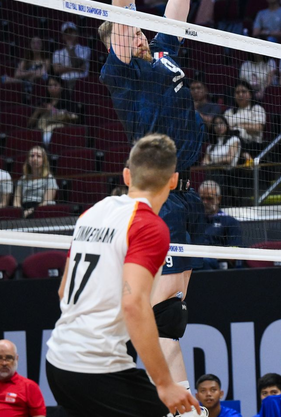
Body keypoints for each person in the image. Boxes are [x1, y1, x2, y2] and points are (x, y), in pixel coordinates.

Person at [95, 0, 207, 409]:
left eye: (140, 26)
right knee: (163, 311)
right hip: (160, 197)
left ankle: (177, 401)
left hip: (187, 194)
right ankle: (119, 341)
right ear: (117, 41)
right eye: (129, 29)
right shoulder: (122, 71)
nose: (138, 28)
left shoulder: (163, 52)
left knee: (175, 314)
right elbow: (122, 12)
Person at [46, 134, 203, 417]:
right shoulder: (150, 227)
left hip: (57, 361)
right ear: (173, 180)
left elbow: (63, 290)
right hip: (95, 367)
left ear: (127, 175)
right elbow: (134, 305)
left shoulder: (93, 212)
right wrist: (165, 383)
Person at [26, 76, 78, 146]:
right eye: (50, 85)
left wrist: (53, 111)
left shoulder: (68, 103)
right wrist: (37, 112)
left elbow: (74, 118)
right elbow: (29, 124)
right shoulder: (42, 103)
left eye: (55, 85)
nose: (52, 88)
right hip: (41, 132)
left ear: (61, 87)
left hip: (60, 135)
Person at [202, 115, 242, 197]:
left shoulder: (234, 140)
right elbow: (204, 163)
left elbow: (229, 159)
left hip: (229, 175)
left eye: (221, 123)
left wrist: (212, 162)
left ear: (226, 124)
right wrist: (216, 162)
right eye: (215, 124)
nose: (219, 126)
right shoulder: (211, 146)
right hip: (213, 175)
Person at [13, 145, 57, 218]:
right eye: (32, 156)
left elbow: (46, 201)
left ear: (44, 160)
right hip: (24, 210)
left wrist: (31, 211)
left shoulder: (49, 178)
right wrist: (20, 213)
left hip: (41, 211)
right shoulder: (23, 179)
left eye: (38, 156)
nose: (34, 159)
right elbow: (16, 201)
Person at [224, 81, 266, 158]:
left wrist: (237, 126)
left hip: (253, 145)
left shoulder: (257, 108)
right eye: (237, 92)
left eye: (244, 91)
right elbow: (224, 130)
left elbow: (258, 128)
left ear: (250, 94)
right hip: (231, 144)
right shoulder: (228, 112)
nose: (240, 94)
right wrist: (247, 126)